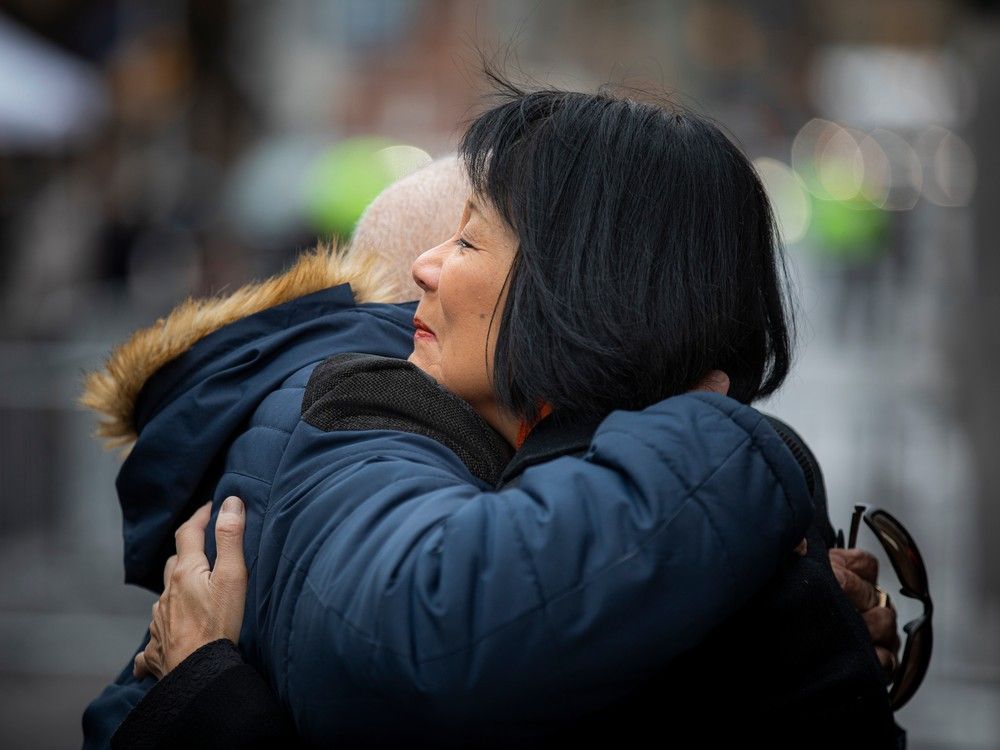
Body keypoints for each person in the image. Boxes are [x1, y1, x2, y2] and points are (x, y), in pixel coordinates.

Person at [82, 79, 901, 748]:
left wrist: (783, 607)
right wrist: (742, 469)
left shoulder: (575, 481)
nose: (426, 271)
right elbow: (433, 637)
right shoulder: (356, 407)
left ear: (585, 289)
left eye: (470, 243)